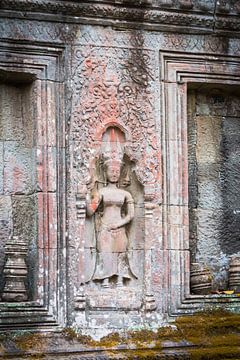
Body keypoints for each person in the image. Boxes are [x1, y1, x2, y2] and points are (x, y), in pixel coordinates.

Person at [86, 158, 136, 288]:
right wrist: (85, 196)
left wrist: (119, 224)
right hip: (105, 227)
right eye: (111, 171)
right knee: (105, 254)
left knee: (121, 253)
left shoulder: (125, 193)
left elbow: (131, 215)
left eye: (117, 171)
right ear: (105, 172)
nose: (114, 174)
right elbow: (90, 211)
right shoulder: (101, 192)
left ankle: (120, 280)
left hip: (119, 228)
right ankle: (105, 280)